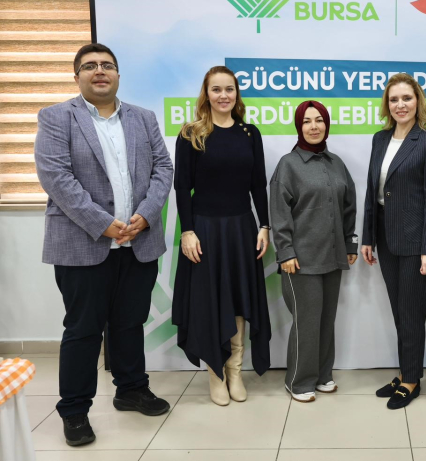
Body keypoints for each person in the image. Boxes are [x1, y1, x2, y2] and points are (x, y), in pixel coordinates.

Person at [34, 43, 173, 446]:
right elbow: (56, 177)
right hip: (83, 245)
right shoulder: (57, 117)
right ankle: (75, 411)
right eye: (90, 65)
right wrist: (103, 224)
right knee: (83, 330)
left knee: (130, 322)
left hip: (138, 243)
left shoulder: (143, 118)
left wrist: (145, 214)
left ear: (117, 75)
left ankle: (131, 389)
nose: (100, 71)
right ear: (76, 75)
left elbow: (163, 168)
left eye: (107, 65)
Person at [172, 65, 271, 406]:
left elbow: (258, 185)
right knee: (210, 301)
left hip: (241, 229)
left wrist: (265, 225)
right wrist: (187, 231)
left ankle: (235, 371)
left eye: (229, 89)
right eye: (216, 89)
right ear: (207, 94)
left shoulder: (249, 134)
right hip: (205, 230)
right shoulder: (191, 134)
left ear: (236, 94)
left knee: (240, 300)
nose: (224, 95)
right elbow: (182, 188)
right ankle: (216, 374)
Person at [361, 73, 426, 410]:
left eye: (406, 98)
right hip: (385, 237)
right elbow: (373, 190)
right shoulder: (380, 139)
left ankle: (411, 380)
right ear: (387, 104)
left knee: (411, 313)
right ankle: (405, 370)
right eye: (394, 99)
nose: (400, 105)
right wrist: (367, 236)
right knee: (399, 311)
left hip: (414, 241)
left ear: (417, 101)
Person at [270, 100, 358, 403]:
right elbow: (279, 213)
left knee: (325, 320)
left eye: (319, 120)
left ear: (326, 125)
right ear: (299, 126)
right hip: (300, 261)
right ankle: (298, 381)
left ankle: (322, 374)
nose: (314, 126)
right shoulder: (288, 164)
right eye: (307, 121)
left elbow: (349, 206)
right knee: (307, 322)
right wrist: (285, 252)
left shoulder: (337, 163)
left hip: (332, 256)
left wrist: (349, 244)